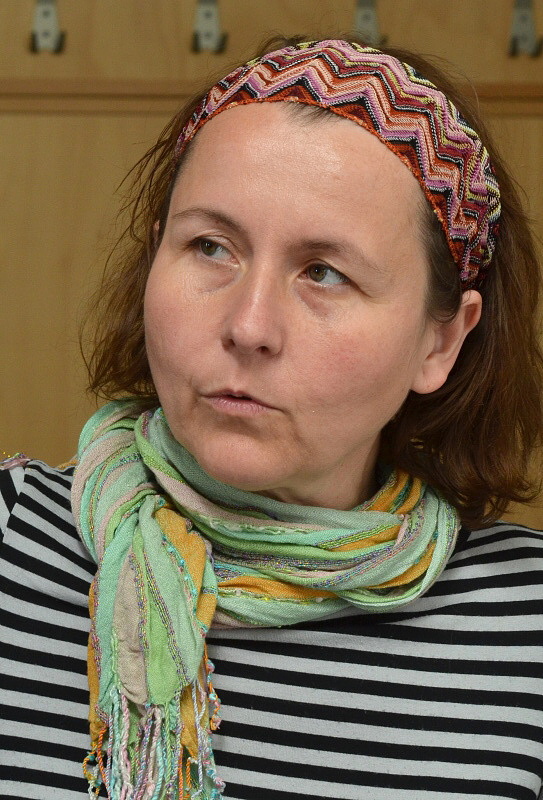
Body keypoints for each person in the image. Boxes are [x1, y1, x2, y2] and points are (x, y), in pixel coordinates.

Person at [1, 35, 543, 800]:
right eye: (210, 247)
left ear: (440, 340)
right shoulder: (11, 534)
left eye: (323, 272)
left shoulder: (525, 623)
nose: (248, 325)